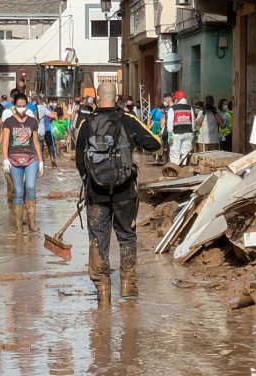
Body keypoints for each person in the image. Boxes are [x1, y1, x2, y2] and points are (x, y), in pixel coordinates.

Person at [75, 82, 161, 303]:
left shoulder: (87, 123)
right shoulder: (128, 120)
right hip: (124, 192)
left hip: (96, 194)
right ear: (116, 99)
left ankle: (103, 292)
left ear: (96, 99)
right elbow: (155, 144)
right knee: (126, 235)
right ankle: (127, 285)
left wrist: (91, 180)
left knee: (98, 239)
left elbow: (79, 160)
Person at [1, 93, 44, 235]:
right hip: (14, 159)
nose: (21, 108)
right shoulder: (9, 122)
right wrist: (5, 159)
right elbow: (5, 142)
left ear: (27, 106)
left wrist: (41, 160)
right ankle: (19, 227)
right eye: (18, 106)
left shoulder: (32, 122)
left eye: (23, 106)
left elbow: (36, 141)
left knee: (30, 187)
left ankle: (32, 223)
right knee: (18, 192)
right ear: (14, 106)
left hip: (31, 158)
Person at [166, 90, 195, 166]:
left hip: (176, 133)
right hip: (188, 133)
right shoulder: (190, 108)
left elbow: (170, 123)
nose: (174, 100)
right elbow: (193, 122)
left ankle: (175, 169)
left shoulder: (173, 109)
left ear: (178, 99)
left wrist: (170, 134)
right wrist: (193, 133)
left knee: (175, 152)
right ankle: (183, 167)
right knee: (185, 153)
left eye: (175, 99)